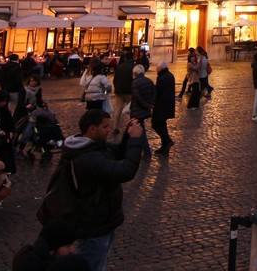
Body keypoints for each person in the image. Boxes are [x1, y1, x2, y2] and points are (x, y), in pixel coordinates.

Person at [39, 110, 144, 271]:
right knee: (91, 265)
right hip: (93, 224)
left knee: (98, 262)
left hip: (103, 219)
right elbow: (125, 171)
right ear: (92, 129)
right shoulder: (87, 159)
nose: (109, 130)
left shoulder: (92, 145)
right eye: (105, 126)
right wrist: (136, 140)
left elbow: (119, 152)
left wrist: (128, 135)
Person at [12, 220, 84, 271]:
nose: (73, 250)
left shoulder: (34, 256)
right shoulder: (31, 266)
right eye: (67, 246)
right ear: (53, 247)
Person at [127, 65, 154, 161]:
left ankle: (146, 152)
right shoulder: (149, 81)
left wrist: (145, 105)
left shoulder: (135, 83)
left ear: (135, 73)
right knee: (140, 129)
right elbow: (154, 94)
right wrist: (150, 104)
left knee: (140, 131)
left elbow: (137, 97)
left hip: (137, 110)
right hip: (145, 110)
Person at [151, 61, 175, 155]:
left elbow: (158, 90)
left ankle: (167, 141)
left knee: (156, 124)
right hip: (166, 105)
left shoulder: (163, 77)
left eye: (157, 69)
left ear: (160, 69)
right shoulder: (169, 75)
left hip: (161, 105)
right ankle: (165, 146)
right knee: (162, 124)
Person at [111, 54, 134, 134]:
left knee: (118, 109)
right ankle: (133, 126)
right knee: (131, 109)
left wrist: (116, 87)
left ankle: (115, 127)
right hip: (129, 91)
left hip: (119, 91)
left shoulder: (120, 67)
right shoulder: (133, 67)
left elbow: (115, 79)